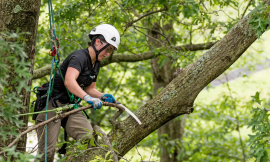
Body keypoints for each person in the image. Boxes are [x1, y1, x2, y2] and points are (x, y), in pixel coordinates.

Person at [35, 24, 120, 162]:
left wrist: (103, 96)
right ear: (98, 42)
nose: (108, 53)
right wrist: (88, 99)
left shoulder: (96, 63)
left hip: (71, 106)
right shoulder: (79, 57)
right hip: (53, 104)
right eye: (108, 49)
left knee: (88, 140)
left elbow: (90, 89)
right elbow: (69, 81)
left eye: (111, 51)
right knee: (46, 154)